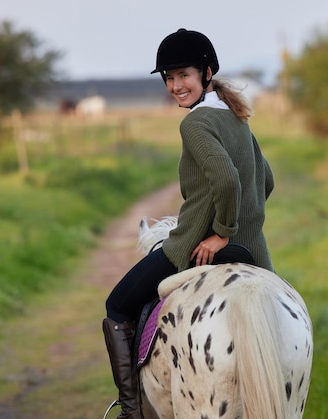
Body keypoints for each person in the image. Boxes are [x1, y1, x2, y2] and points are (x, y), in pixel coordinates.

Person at [102, 28, 275, 418]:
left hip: (192, 245)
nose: (176, 85)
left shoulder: (194, 124)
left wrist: (220, 234)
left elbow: (227, 179)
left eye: (184, 75)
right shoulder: (236, 117)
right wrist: (244, 226)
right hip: (256, 255)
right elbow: (265, 181)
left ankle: (131, 410)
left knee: (117, 306)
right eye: (170, 78)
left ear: (206, 73)